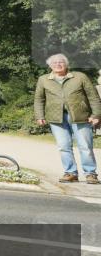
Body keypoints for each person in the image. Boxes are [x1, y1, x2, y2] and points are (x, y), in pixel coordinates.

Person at [34, 53, 101, 184]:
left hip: (81, 116)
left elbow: (93, 97)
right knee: (63, 146)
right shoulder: (44, 79)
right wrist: (39, 116)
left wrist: (96, 115)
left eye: (61, 62)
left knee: (85, 146)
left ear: (66, 64)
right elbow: (39, 99)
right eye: (54, 63)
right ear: (49, 66)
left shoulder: (80, 77)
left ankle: (90, 174)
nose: (58, 64)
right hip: (56, 118)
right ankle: (70, 173)